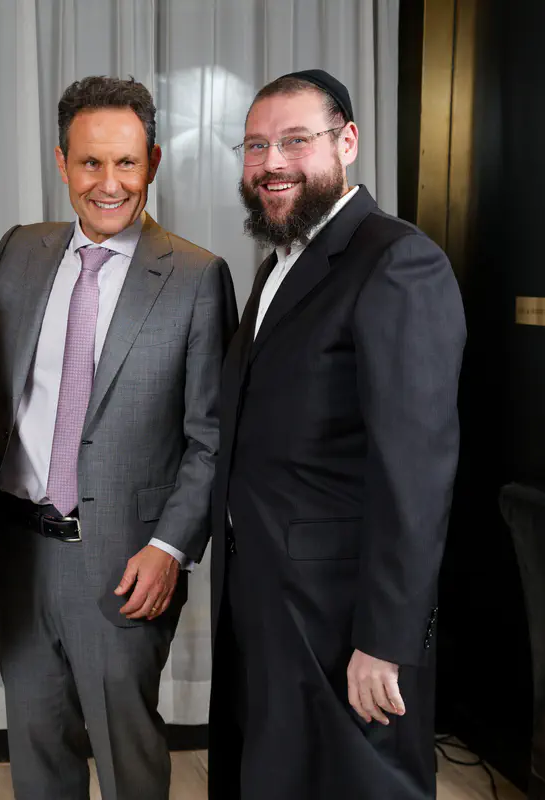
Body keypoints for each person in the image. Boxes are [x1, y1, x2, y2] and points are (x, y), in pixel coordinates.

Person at [0, 75, 238, 800]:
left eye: (126, 163)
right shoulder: (19, 252)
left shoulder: (196, 277)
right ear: (62, 163)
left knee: (127, 759)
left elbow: (211, 437)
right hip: (22, 551)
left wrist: (170, 548)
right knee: (36, 752)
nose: (108, 183)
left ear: (152, 162)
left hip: (127, 560)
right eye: (90, 162)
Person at [207, 69, 466, 799]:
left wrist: (385, 640)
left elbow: (416, 473)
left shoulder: (397, 260)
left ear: (347, 141)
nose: (271, 162)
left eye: (295, 140)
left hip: (341, 623)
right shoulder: (279, 267)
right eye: (256, 146)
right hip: (266, 601)